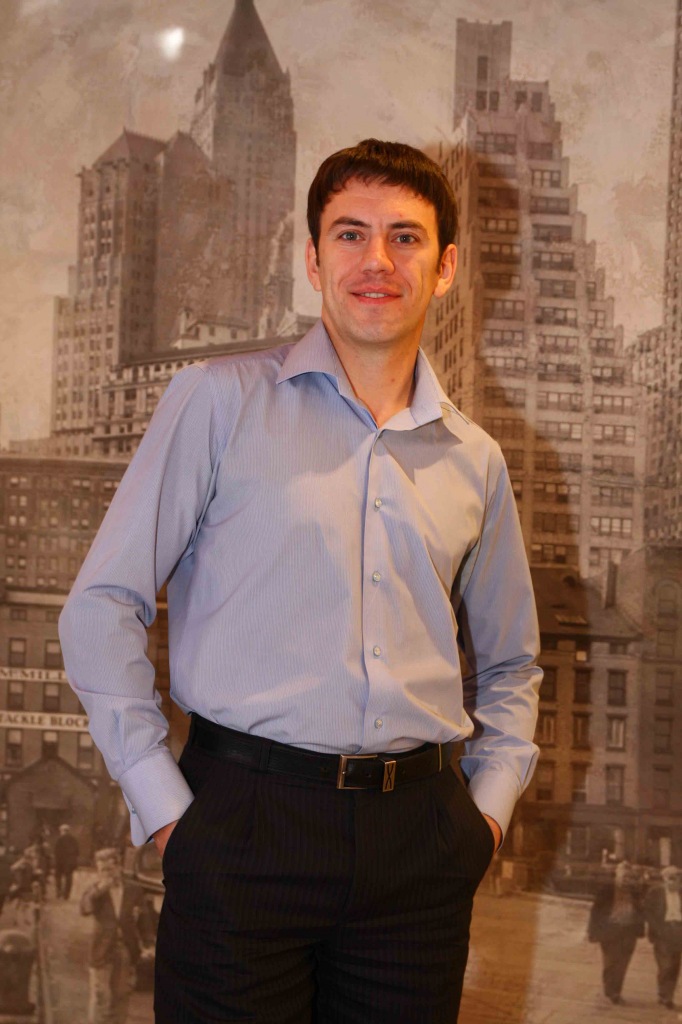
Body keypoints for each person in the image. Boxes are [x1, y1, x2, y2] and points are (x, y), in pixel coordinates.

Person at [59, 139, 542, 1024]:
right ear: (314, 260)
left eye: (405, 237)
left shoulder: (476, 458)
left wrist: (484, 819)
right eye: (350, 234)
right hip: (242, 826)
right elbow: (102, 606)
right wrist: (166, 812)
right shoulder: (218, 402)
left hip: (421, 848)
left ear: (445, 268)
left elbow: (512, 663)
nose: (377, 260)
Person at [80, 847, 146, 1024]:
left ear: (119, 867)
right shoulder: (95, 890)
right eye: (102, 870)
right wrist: (99, 890)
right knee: (100, 994)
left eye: (110, 869)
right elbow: (85, 908)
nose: (106, 874)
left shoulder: (134, 889)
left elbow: (143, 919)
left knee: (121, 994)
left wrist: (149, 943)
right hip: (101, 949)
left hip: (124, 949)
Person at [588, 860, 645, 1005]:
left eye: (629, 877)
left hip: (628, 932)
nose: (626, 880)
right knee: (610, 963)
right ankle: (610, 989)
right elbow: (596, 912)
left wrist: (639, 929)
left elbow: (640, 912)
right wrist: (593, 932)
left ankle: (616, 992)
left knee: (623, 964)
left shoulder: (635, 892)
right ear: (617, 875)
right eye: (623, 876)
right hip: (611, 930)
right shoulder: (606, 890)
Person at [644, 865, 682, 1010]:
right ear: (664, 879)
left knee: (675, 966)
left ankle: (668, 995)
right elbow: (648, 912)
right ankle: (664, 995)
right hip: (663, 931)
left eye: (677, 879)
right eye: (670, 878)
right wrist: (657, 929)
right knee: (665, 965)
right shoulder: (655, 892)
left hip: (678, 931)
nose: (674, 882)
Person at [54, 823, 80, 900]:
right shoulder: (73, 840)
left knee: (58, 876)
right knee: (69, 877)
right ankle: (66, 895)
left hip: (60, 862)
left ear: (62, 831)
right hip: (70, 862)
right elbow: (77, 852)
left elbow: (56, 851)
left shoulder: (59, 839)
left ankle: (59, 892)